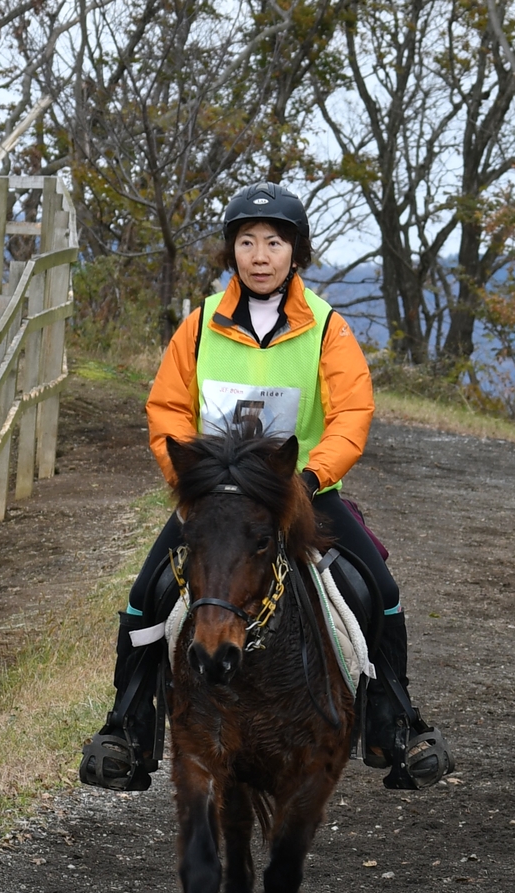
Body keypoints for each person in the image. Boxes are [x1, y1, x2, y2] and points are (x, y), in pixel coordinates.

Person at [80, 181, 451, 792]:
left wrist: (309, 478)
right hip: (215, 502)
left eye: (274, 243)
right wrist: (192, 481)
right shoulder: (197, 327)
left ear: (295, 252)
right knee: (146, 595)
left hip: (302, 493)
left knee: (379, 590)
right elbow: (167, 409)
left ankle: (398, 727)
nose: (259, 256)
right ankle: (126, 731)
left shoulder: (328, 329)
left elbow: (351, 414)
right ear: (231, 251)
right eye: (247, 242)